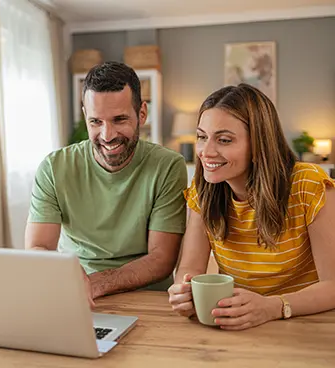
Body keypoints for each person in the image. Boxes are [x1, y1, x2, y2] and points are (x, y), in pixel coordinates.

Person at [168, 83, 335, 330]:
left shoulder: (308, 185)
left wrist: (273, 307)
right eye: (202, 137)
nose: (206, 152)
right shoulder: (203, 191)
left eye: (224, 140)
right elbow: (190, 270)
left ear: (259, 144)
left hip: (305, 323)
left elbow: (332, 285)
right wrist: (184, 292)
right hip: (240, 323)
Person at [25, 61, 187, 305]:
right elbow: (38, 247)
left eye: (119, 120)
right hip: (76, 296)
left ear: (142, 113)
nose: (107, 135)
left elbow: (161, 259)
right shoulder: (54, 167)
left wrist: (95, 284)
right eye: (96, 122)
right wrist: (72, 282)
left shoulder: (168, 166)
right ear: (85, 116)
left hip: (146, 298)